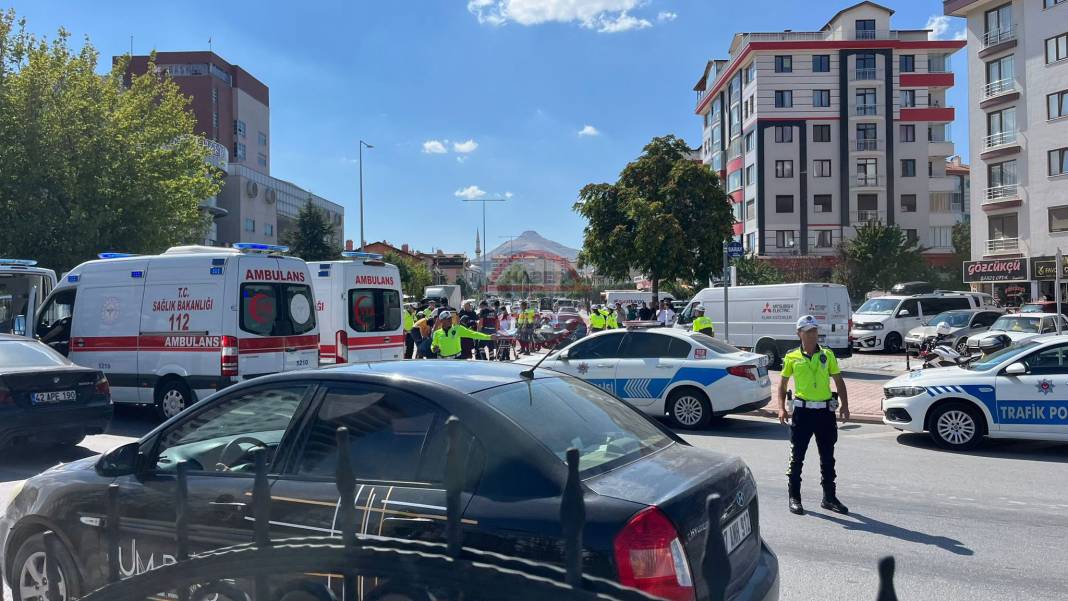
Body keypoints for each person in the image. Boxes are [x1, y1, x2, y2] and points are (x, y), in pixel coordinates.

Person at [777, 315, 850, 516]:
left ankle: (829, 498)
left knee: (828, 457)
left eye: (815, 331)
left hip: (825, 413)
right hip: (802, 413)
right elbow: (782, 384)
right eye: (808, 331)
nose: (813, 335)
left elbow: (838, 380)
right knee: (797, 457)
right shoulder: (792, 357)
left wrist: (845, 405)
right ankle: (794, 498)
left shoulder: (827, 354)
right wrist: (781, 408)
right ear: (799, 333)